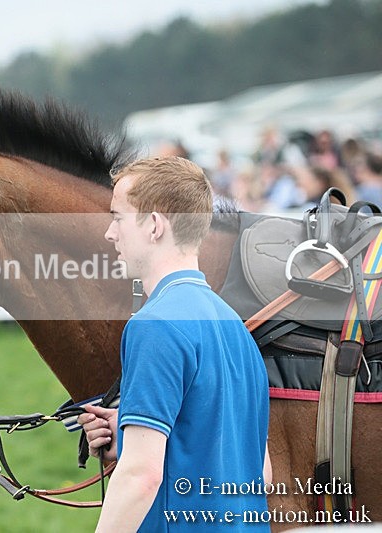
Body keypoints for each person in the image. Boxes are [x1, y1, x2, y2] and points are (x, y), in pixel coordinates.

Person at [78, 157, 271, 531]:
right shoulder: (236, 327)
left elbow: (140, 477)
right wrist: (131, 431)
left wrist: (137, 453)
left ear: (154, 224)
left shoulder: (155, 325)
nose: (110, 233)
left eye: (118, 217)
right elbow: (258, 472)